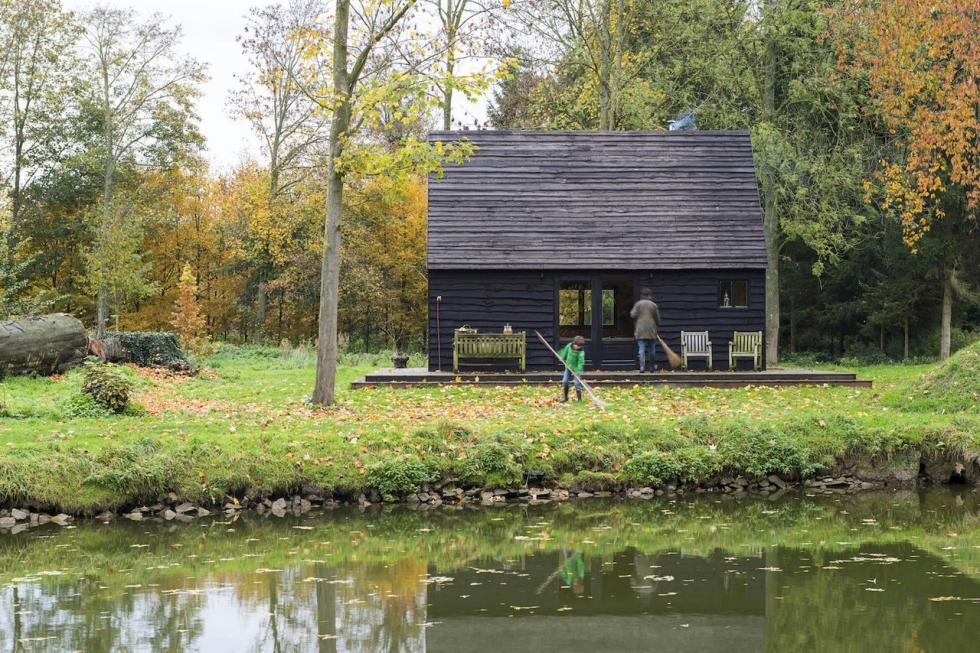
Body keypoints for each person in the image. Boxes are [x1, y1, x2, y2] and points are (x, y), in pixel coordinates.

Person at [630, 289, 661, 372]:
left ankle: (642, 368)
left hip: (640, 329)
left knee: (641, 349)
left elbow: (632, 314)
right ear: (649, 295)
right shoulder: (653, 305)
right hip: (651, 329)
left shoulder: (638, 304)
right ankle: (651, 367)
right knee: (652, 350)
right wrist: (655, 325)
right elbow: (658, 319)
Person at [557, 335, 586, 402]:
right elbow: (564, 351)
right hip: (568, 367)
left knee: (576, 383)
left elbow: (580, 363)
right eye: (577, 346)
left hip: (576, 370)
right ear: (574, 343)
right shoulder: (569, 346)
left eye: (580, 346)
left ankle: (579, 399)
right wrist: (561, 356)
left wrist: (577, 372)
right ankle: (565, 397)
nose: (578, 347)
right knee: (565, 381)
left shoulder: (581, 352)